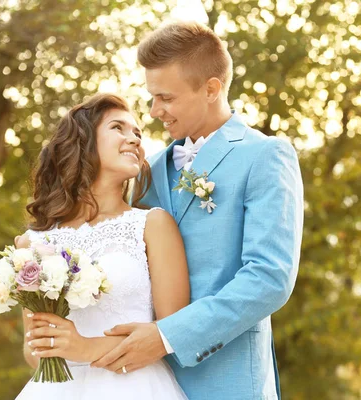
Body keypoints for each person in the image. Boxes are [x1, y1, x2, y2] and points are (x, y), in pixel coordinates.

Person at [90, 22, 304, 399]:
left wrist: (168, 337)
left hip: (228, 380)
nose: (155, 111)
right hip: (142, 382)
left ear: (211, 89)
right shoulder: (148, 170)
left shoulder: (265, 155)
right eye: (152, 97)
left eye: (166, 98)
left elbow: (269, 278)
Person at [14, 93, 190, 399]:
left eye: (137, 132)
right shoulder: (33, 243)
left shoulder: (152, 225)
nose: (134, 139)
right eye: (118, 128)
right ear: (83, 141)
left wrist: (85, 348)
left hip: (135, 386)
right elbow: (33, 353)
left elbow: (173, 334)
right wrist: (47, 346)